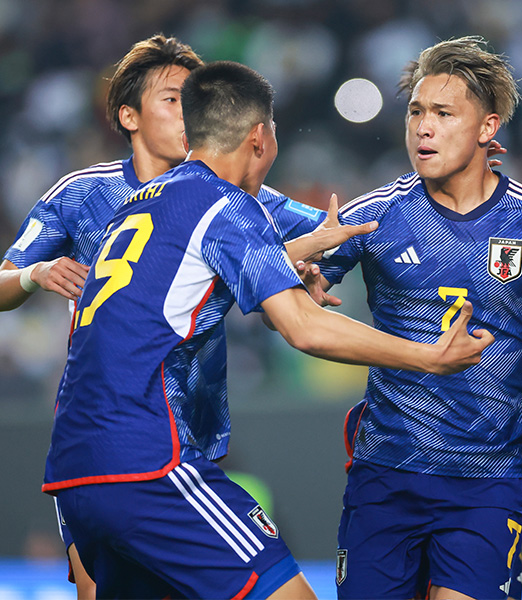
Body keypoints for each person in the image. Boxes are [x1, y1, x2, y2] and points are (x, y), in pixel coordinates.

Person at [42, 60, 492, 599]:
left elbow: (185, 288)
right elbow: (303, 329)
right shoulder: (227, 204)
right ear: (259, 137)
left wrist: (289, 265)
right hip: (146, 462)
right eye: (275, 131)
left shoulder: (141, 203)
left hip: (72, 471)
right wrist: (430, 357)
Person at [0, 35, 328, 597]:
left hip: (188, 432)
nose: (188, 111)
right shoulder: (83, 194)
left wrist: (302, 268)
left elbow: (327, 235)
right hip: (112, 431)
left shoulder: (236, 193)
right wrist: (34, 275)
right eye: (173, 99)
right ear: (129, 115)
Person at [318, 36, 522, 600]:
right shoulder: (374, 216)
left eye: (444, 114)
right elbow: (296, 307)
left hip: (485, 485)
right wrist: (304, 283)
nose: (423, 127)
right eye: (417, 112)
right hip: (385, 473)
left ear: (487, 128)